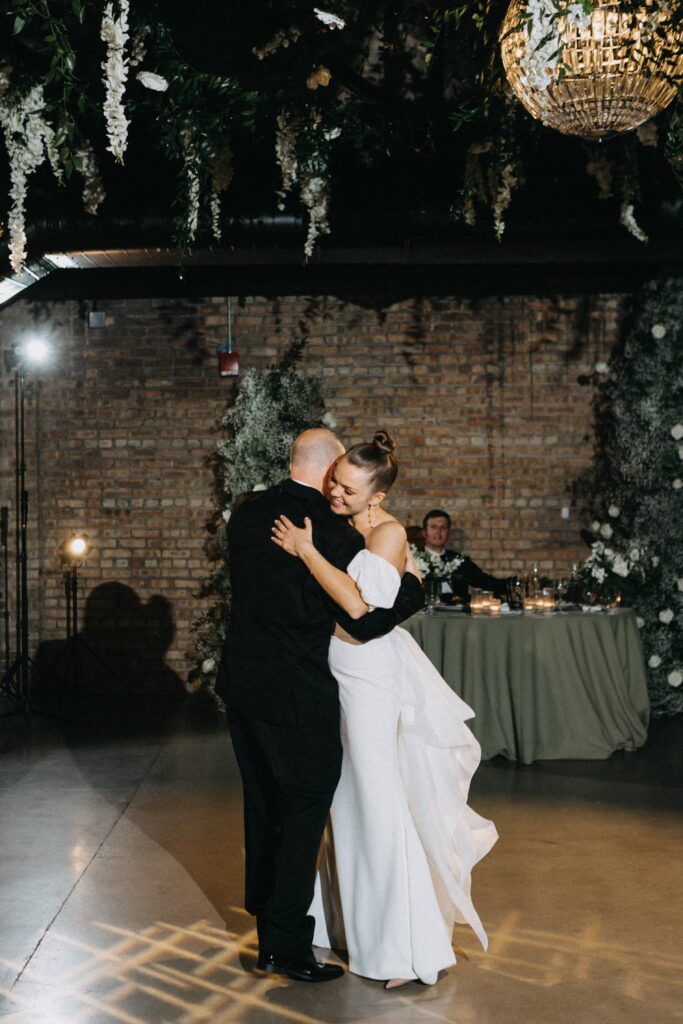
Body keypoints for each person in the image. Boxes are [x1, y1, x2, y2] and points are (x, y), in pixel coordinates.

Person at [272, 432, 497, 988]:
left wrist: (305, 551)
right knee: (347, 806)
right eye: (333, 481)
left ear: (376, 495)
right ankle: (351, 929)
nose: (335, 493)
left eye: (348, 489)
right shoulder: (349, 525)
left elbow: (355, 608)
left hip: (369, 680)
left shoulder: (390, 532)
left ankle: (407, 949)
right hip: (341, 676)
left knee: (379, 806)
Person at [215, 428, 424, 984]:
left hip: (242, 685)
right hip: (296, 693)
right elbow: (369, 618)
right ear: (333, 468)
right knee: (305, 806)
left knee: (262, 805)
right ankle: (286, 945)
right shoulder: (332, 533)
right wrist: (415, 588)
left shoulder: (247, 512)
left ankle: (268, 931)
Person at [422, 508, 512, 601]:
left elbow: (485, 582)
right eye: (433, 527)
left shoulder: (459, 561)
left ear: (448, 533)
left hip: (455, 612)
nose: (438, 531)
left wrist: (515, 582)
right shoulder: (413, 560)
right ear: (424, 533)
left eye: (443, 527)